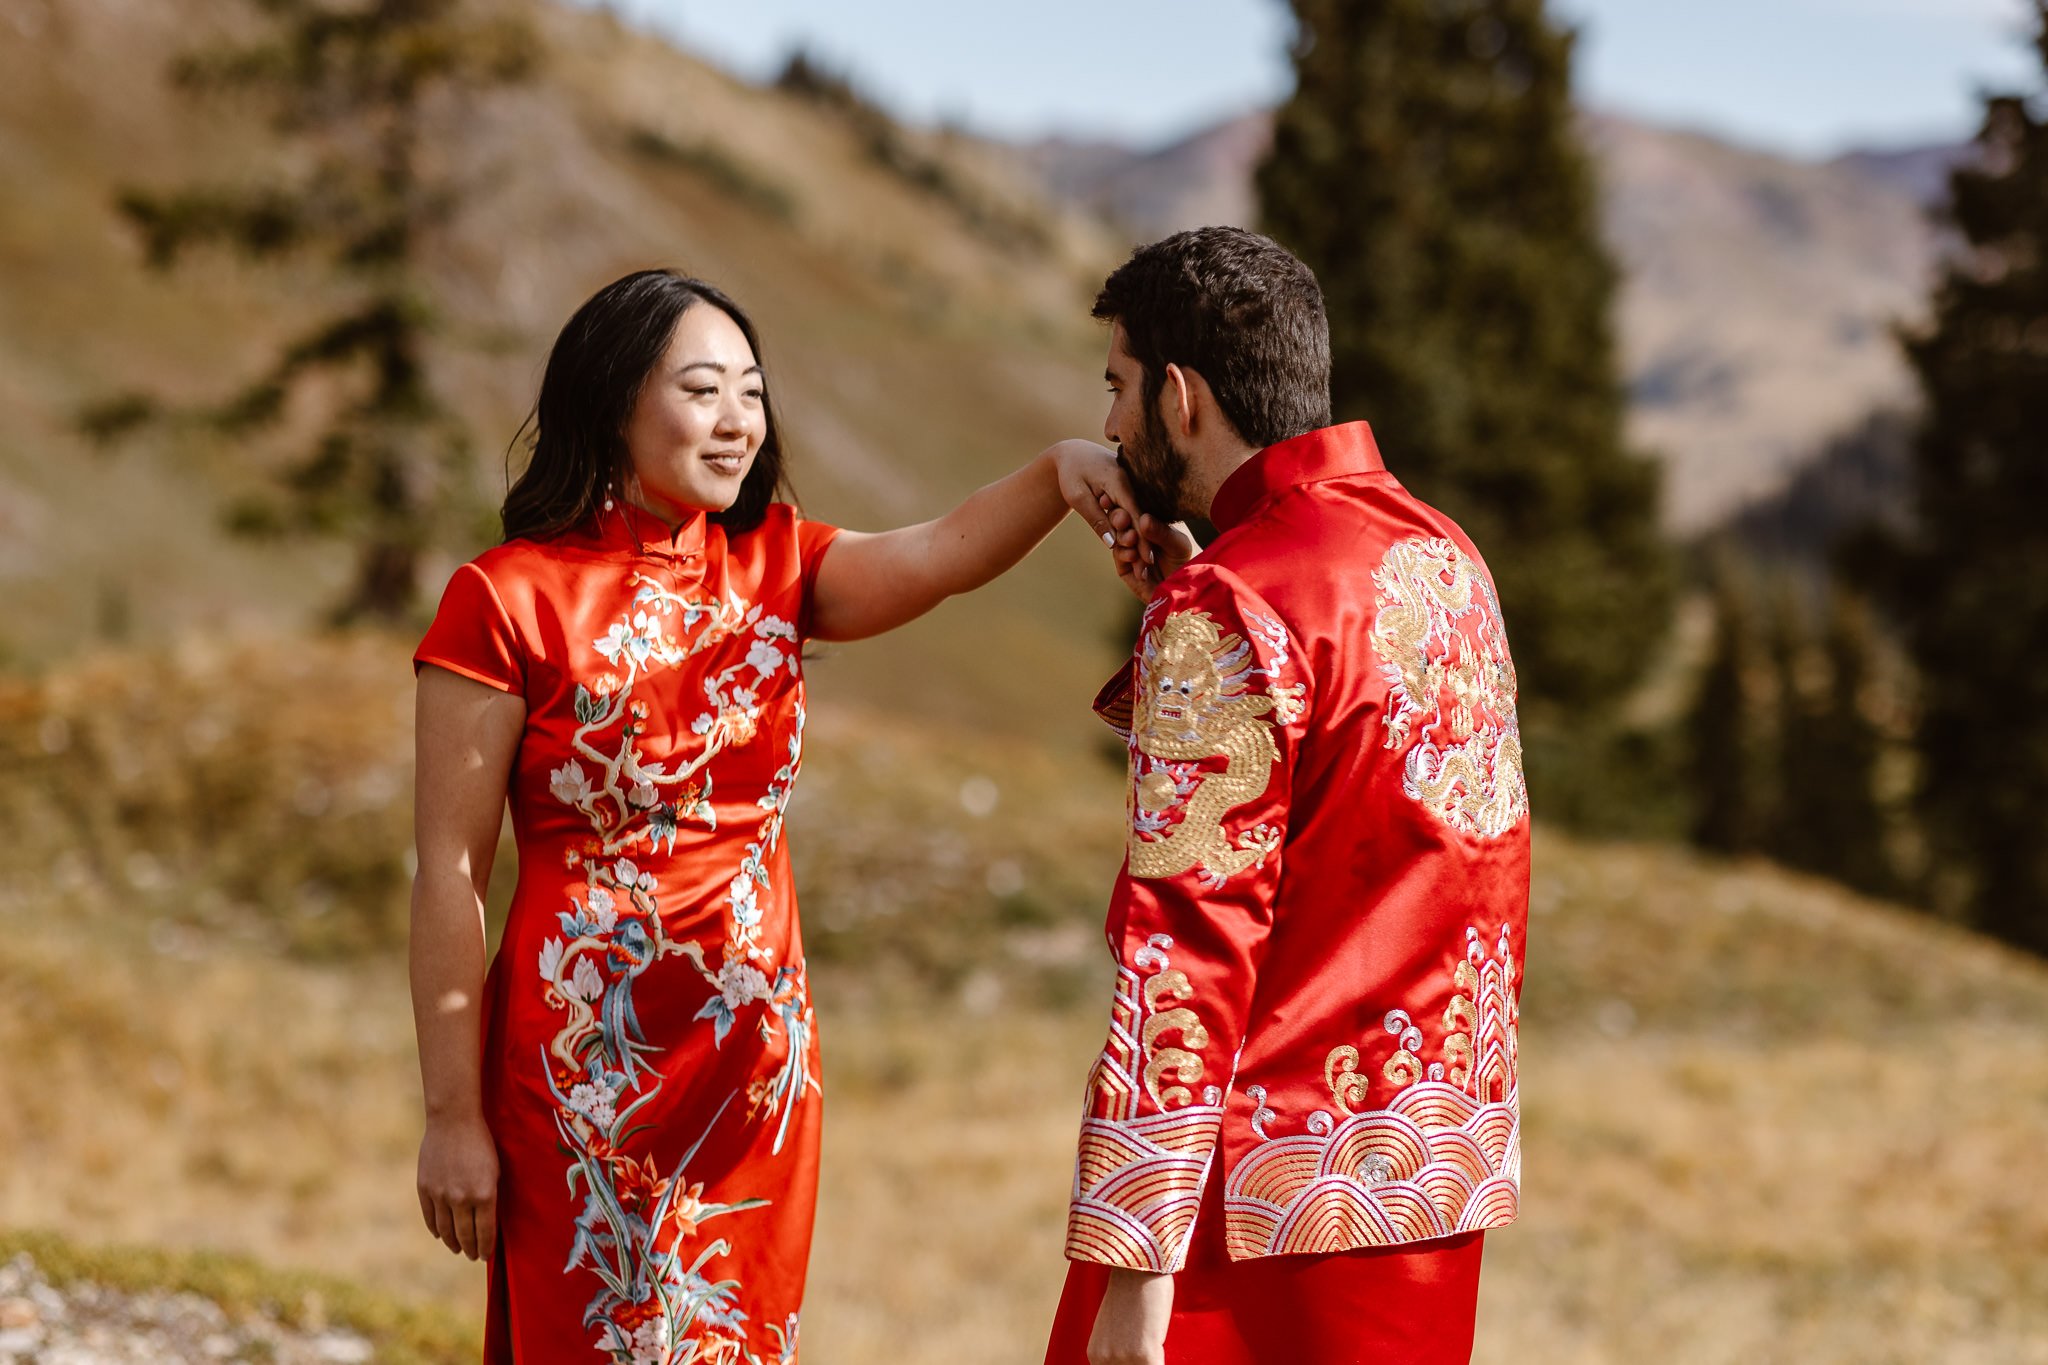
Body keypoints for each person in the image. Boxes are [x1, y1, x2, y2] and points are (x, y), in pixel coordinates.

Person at [407, 268, 1134, 1364]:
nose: (738, 420)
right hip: (581, 1072)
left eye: (751, 390)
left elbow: (937, 555)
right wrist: (451, 1117)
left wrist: (1057, 474)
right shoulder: (503, 599)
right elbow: (447, 874)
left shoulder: (780, 565)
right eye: (703, 390)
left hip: (753, 1070)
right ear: (612, 402)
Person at [1046, 227, 1532, 1365]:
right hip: (1428, 1181)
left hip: (1249, 1215)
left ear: (1179, 395)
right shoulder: (1444, 557)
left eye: (1116, 389)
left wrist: (1131, 1269)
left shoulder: (1228, 606)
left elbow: (1182, 953)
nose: (1112, 425)